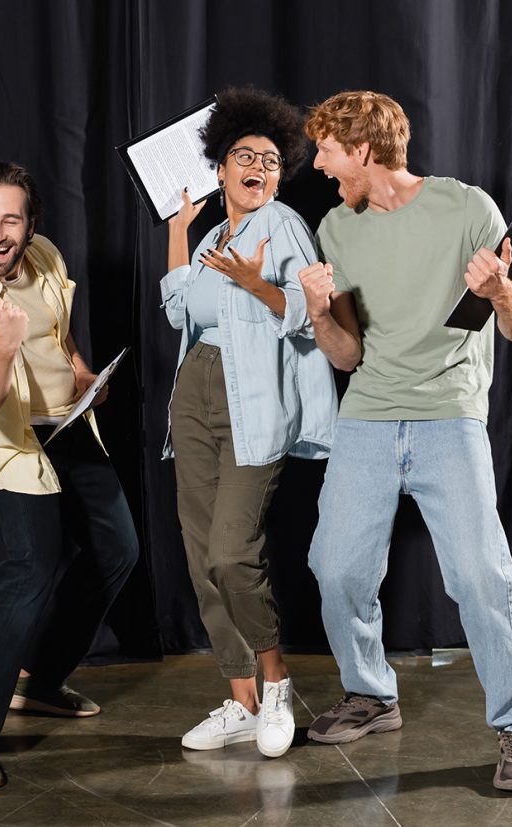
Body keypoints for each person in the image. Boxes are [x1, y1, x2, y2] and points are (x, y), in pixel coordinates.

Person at [295, 90, 512, 792]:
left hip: (448, 414)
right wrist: (319, 312)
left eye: (327, 150)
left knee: (479, 577)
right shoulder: (336, 228)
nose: (317, 164)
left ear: (365, 150)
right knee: (336, 568)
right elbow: (345, 355)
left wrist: (499, 291)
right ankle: (372, 694)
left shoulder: (468, 208)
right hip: (369, 416)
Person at [0, 162, 139, 788]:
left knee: (118, 549)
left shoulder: (43, 254)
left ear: (30, 223)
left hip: (65, 424)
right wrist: (2, 347)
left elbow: (58, 332)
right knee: (30, 567)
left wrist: (82, 375)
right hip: (10, 438)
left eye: (10, 219)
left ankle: (39, 677)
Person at [159, 86, 337, 758]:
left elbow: (306, 313)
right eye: (244, 155)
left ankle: (276, 680)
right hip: (195, 394)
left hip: (252, 401)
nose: (258, 165)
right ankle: (239, 700)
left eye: (270, 157)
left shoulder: (284, 225)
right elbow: (181, 311)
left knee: (234, 550)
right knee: (202, 556)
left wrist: (261, 285)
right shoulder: (211, 236)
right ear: (220, 167)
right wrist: (179, 230)